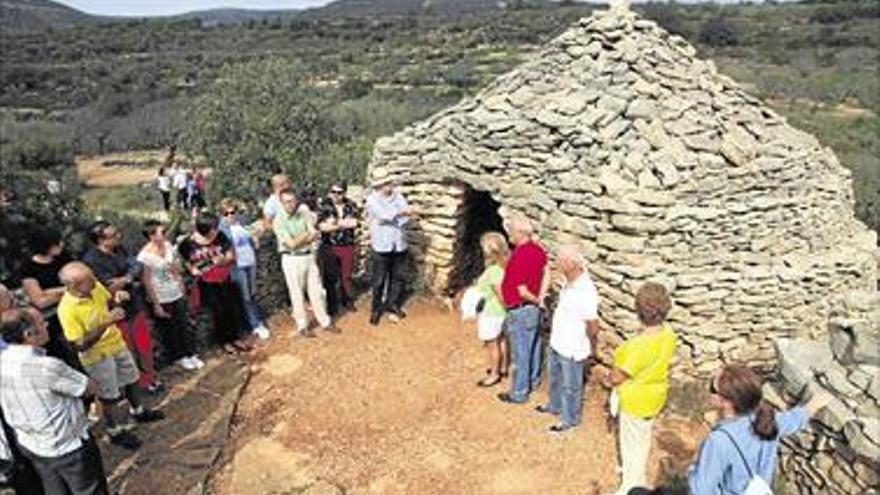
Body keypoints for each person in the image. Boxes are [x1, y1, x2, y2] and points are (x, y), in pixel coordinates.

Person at [0, 310, 110, 495]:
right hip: (67, 446)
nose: (47, 326)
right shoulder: (47, 367)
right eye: (42, 323)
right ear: (28, 334)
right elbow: (89, 388)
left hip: (31, 444)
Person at [57, 262, 164, 450]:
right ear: (73, 286)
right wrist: (106, 323)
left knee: (132, 378)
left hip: (116, 343)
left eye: (92, 276)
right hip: (97, 356)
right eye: (88, 280)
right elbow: (80, 345)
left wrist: (117, 298)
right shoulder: (67, 310)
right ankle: (116, 431)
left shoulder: (96, 287)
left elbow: (109, 302)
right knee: (109, 395)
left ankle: (137, 410)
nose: (94, 281)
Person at [687, 364, 833, 494]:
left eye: (712, 388)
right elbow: (794, 419)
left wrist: (694, 468)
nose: (709, 391)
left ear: (724, 401)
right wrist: (814, 404)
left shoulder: (719, 441)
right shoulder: (767, 419)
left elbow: (701, 489)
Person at [600, 282, 677, 495]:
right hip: (656, 396)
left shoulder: (635, 347)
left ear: (638, 310)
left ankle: (631, 485)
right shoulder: (669, 333)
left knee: (631, 443)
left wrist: (606, 377)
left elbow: (617, 377)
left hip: (636, 400)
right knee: (642, 439)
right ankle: (634, 474)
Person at [82, 221, 160, 393]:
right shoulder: (91, 261)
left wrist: (126, 279)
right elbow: (107, 286)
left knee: (144, 344)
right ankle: (138, 384)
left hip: (134, 305)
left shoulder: (120, 249)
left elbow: (137, 265)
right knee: (128, 349)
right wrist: (127, 278)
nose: (119, 236)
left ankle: (151, 378)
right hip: (115, 312)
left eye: (118, 232)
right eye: (113, 235)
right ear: (100, 240)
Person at [534, 244, 599, 434]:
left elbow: (592, 324)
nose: (557, 264)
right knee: (555, 377)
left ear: (571, 265)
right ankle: (554, 405)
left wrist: (592, 346)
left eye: (560, 262)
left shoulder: (586, 290)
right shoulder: (569, 280)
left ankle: (570, 419)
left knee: (571, 386)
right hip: (558, 341)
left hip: (572, 346)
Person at [178, 212, 251, 354]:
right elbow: (186, 260)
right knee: (219, 312)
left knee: (232, 309)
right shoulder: (188, 244)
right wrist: (192, 269)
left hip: (224, 278)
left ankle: (236, 338)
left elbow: (231, 256)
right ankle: (225, 342)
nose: (216, 230)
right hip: (207, 283)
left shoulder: (220, 237)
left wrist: (222, 261)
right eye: (213, 228)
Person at [137, 220, 203, 371]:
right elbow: (147, 281)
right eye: (162, 232)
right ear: (151, 236)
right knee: (171, 328)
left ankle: (190, 353)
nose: (165, 235)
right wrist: (156, 304)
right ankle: (179, 356)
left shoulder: (167, 246)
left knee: (183, 324)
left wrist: (179, 281)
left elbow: (175, 266)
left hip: (175, 291)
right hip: (161, 295)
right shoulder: (145, 257)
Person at [497, 214, 549, 405]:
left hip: (521, 308)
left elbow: (522, 290)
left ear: (519, 233)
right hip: (532, 310)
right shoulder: (538, 250)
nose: (508, 233)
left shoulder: (519, 255)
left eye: (510, 230)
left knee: (520, 352)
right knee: (534, 346)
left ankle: (519, 392)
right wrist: (542, 298)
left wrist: (535, 300)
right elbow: (546, 272)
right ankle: (533, 382)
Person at [273, 189, 339, 337]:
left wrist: (301, 238)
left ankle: (325, 321)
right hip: (291, 258)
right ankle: (302, 325)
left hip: (308, 256)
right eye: (287, 202)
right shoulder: (278, 220)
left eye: (292, 201)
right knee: (297, 293)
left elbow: (314, 234)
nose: (291, 204)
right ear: (281, 203)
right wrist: (305, 236)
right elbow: (290, 244)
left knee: (316, 290)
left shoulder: (302, 211)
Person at [18, 226, 83, 372]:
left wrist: (50, 292)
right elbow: (40, 301)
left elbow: (81, 282)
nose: (61, 245)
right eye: (57, 243)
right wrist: (67, 289)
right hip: (53, 320)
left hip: (76, 310)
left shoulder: (64, 258)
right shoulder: (28, 268)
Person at [219, 198, 270, 340]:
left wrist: (255, 237)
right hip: (237, 265)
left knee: (252, 293)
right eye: (226, 213)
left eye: (232, 212)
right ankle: (255, 324)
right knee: (245, 296)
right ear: (221, 214)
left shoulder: (241, 222)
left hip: (250, 261)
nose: (230, 215)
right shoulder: (221, 229)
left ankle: (255, 321)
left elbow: (252, 232)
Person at [365, 173, 413, 326]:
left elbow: (407, 217)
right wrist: (399, 213)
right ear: (379, 186)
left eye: (390, 182)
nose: (390, 185)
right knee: (379, 280)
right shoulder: (372, 200)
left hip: (398, 243)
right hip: (381, 245)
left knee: (397, 277)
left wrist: (397, 216)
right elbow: (382, 216)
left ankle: (392, 305)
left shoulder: (398, 197)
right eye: (387, 183)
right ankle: (376, 309)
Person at [470, 232, 509, 388]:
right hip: (498, 312)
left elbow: (500, 295)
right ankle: (503, 367)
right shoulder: (503, 266)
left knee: (492, 343)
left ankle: (494, 374)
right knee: (501, 341)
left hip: (492, 312)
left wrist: (509, 309)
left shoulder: (494, 271)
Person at [318, 181, 360, 314]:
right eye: (333, 192)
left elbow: (355, 223)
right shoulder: (324, 205)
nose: (336, 195)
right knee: (330, 277)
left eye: (339, 192)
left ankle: (347, 300)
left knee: (346, 276)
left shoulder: (351, 205)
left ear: (344, 193)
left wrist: (334, 224)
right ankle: (332, 305)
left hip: (347, 245)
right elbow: (321, 227)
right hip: (329, 246)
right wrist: (342, 224)